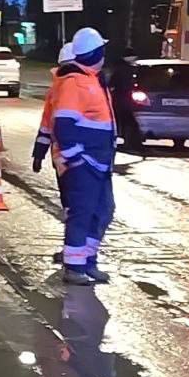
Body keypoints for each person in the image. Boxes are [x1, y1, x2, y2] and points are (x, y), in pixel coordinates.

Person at [52, 28, 117, 285]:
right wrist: (76, 158)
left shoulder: (92, 79)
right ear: (95, 53)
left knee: (103, 210)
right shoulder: (74, 83)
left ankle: (87, 261)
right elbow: (63, 125)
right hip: (86, 164)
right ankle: (74, 267)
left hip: (100, 162)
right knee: (83, 212)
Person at [33, 43, 76, 264]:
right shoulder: (77, 88)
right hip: (77, 160)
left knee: (72, 207)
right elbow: (49, 125)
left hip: (63, 159)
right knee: (78, 209)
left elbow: (46, 126)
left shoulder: (57, 89)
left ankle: (76, 252)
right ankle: (76, 255)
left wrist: (39, 153)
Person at [108, 47, 139, 145]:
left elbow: (112, 84)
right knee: (128, 120)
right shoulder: (131, 69)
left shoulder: (119, 68)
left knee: (124, 120)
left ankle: (126, 138)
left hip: (120, 98)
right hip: (126, 99)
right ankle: (130, 140)